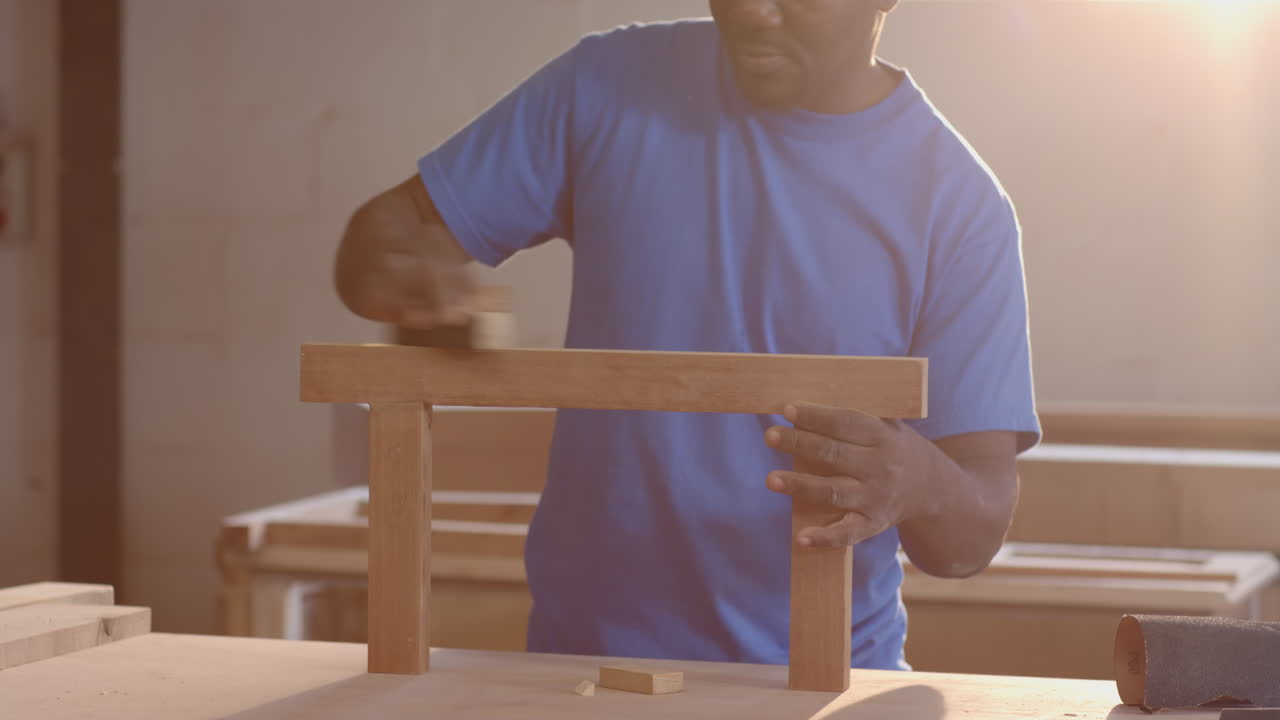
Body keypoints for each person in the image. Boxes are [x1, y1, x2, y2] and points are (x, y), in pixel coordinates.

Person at [334, 0, 1039, 671]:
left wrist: (919, 483)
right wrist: (407, 272)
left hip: (821, 681)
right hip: (581, 676)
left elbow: (970, 536)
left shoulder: (961, 209)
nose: (752, 11)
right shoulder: (607, 85)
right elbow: (376, 242)